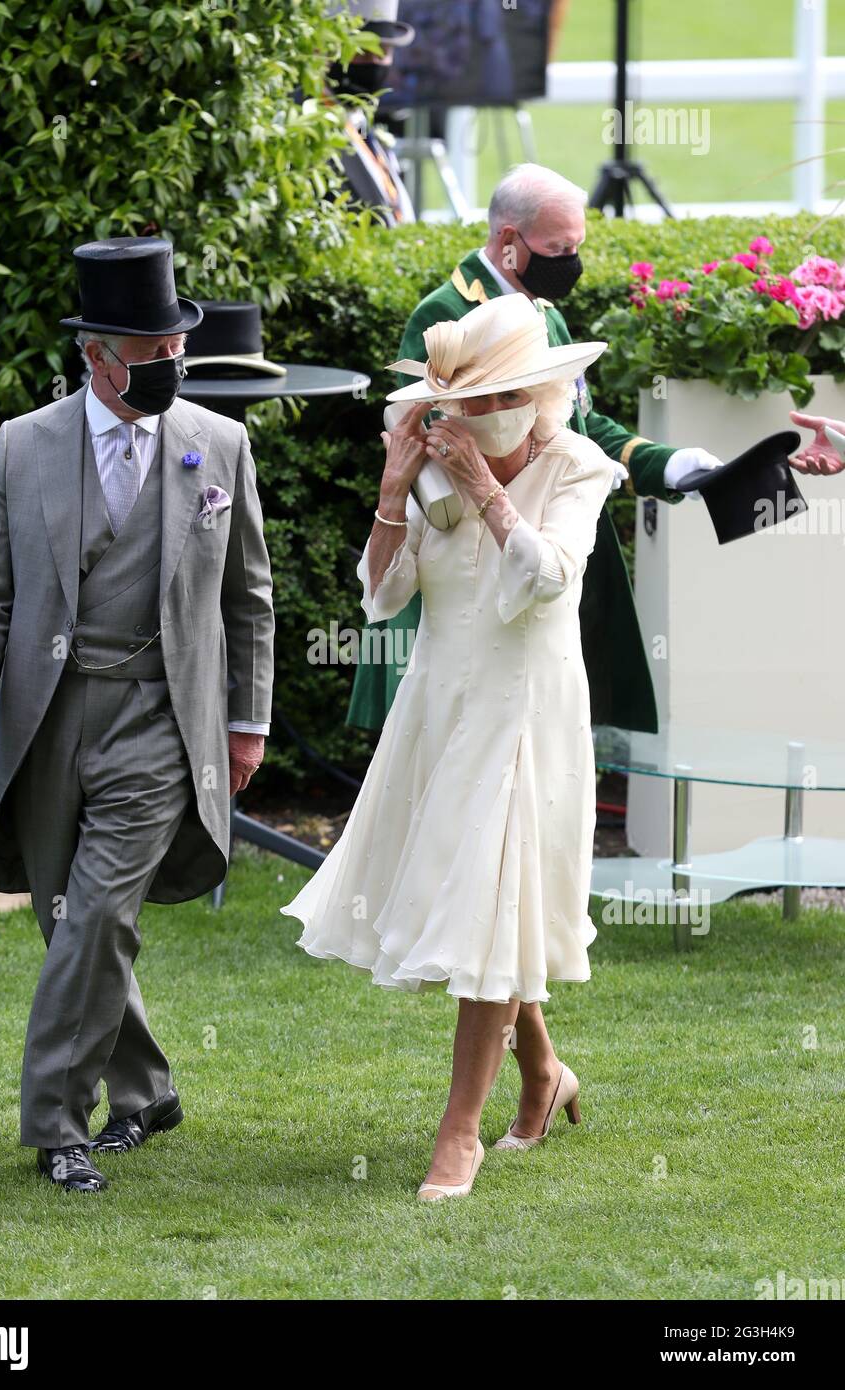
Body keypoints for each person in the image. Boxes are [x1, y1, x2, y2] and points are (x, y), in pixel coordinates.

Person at [0, 238, 275, 1192]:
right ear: (95, 356)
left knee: (96, 916)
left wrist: (246, 721)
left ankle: (56, 1124)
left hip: (162, 721)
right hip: (46, 719)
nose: (172, 363)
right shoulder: (22, 445)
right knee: (68, 919)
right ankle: (148, 1091)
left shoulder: (222, 445)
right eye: (150, 351)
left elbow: (249, 599)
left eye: (177, 345)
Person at [281, 293, 615, 1202]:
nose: (464, 420)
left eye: (485, 401)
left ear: (533, 397)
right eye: (455, 403)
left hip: (526, 711)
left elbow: (546, 582)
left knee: (489, 894)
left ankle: (458, 1132)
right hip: (441, 703)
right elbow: (382, 599)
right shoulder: (430, 472)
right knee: (481, 902)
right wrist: (396, 491)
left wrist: (485, 490)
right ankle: (543, 1071)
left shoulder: (578, 466)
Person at [346, 162, 727, 737]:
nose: (569, 260)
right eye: (558, 246)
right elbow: (423, 433)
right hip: (465, 556)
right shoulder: (446, 314)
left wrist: (665, 465)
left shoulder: (544, 312)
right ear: (507, 242)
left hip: (540, 540)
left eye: (576, 246)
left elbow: (579, 421)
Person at [326, 0, 417, 226]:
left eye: (383, 53)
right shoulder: (308, 127)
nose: (374, 64)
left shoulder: (364, 126)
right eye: (362, 53)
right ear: (328, 52)